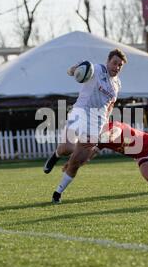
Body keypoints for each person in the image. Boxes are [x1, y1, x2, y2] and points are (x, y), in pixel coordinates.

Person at [43, 49, 127, 204]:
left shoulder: (117, 84)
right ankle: (55, 155)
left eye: (120, 65)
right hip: (80, 113)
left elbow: (110, 106)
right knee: (67, 148)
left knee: (76, 162)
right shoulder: (96, 69)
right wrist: (75, 70)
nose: (117, 67)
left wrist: (104, 126)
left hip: (96, 123)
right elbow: (72, 71)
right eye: (115, 63)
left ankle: (57, 193)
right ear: (108, 61)